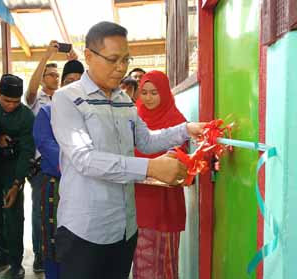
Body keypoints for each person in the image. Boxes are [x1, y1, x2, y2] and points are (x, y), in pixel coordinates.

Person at [50, 21, 205, 279]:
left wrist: (186, 129)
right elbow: (85, 159)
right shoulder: (68, 99)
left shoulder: (123, 99)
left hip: (124, 230)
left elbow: (145, 140)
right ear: (89, 56)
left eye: (125, 59)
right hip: (85, 232)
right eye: (113, 59)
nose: (121, 67)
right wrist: (151, 168)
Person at [25, 40, 78, 273]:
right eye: (52, 75)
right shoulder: (41, 102)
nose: (55, 79)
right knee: (43, 216)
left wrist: (74, 62)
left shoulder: (75, 101)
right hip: (46, 169)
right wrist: (45, 56)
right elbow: (45, 142)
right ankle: (40, 254)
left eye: (59, 76)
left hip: (78, 171)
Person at [132, 70, 188, 279]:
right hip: (138, 200)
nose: (148, 97)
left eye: (154, 92)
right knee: (142, 262)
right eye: (144, 92)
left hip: (164, 202)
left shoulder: (177, 120)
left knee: (164, 262)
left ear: (164, 93)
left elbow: (178, 155)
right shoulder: (135, 118)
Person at [33, 59, 84, 279]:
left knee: (81, 237)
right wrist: (78, 167)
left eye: (79, 82)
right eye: (69, 81)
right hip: (56, 183)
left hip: (86, 185)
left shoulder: (91, 113)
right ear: (62, 84)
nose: (74, 85)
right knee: (53, 239)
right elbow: (45, 143)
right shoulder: (47, 111)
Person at [0, 74, 35, 279]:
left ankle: (15, 262)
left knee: (13, 215)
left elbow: (27, 152)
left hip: (13, 166)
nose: (11, 105)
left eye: (15, 101)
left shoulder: (27, 117)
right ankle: (2, 255)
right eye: (6, 100)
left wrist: (16, 184)